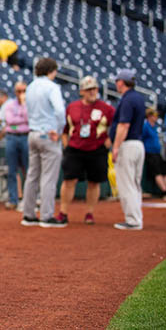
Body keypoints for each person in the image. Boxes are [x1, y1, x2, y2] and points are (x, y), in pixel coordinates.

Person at [58, 76, 115, 226]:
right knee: (69, 180)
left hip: (97, 149)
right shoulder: (72, 107)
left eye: (94, 89)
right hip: (75, 148)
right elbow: (64, 129)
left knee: (94, 182)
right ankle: (63, 212)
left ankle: (90, 213)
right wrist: (66, 145)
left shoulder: (106, 108)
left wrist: (110, 141)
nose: (92, 92)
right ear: (82, 91)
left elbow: (116, 126)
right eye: (89, 89)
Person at [20, 57, 66, 228]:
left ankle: (28, 213)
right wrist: (59, 130)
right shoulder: (52, 87)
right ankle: (46, 216)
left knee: (32, 175)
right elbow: (60, 111)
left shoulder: (30, 87)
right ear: (51, 71)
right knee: (48, 177)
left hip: (32, 133)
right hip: (48, 133)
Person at [109, 69, 146, 230]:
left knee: (127, 184)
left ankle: (133, 220)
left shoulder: (127, 99)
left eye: (117, 80)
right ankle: (136, 218)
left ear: (121, 82)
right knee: (135, 184)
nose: (116, 83)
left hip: (128, 145)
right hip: (138, 144)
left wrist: (115, 147)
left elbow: (124, 125)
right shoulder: (138, 97)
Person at [0, 83, 30, 210]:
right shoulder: (9, 105)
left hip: (26, 136)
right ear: (15, 92)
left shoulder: (29, 104)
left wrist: (24, 106)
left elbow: (28, 118)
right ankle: (13, 199)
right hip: (12, 138)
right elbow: (10, 121)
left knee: (28, 170)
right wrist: (21, 121)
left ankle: (29, 199)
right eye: (19, 91)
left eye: (24, 90)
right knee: (12, 170)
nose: (21, 93)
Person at [142, 108, 166, 199]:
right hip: (150, 153)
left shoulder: (154, 126)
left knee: (163, 172)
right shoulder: (146, 126)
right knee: (157, 173)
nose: (156, 117)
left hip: (157, 153)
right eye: (154, 116)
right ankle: (165, 191)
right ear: (149, 116)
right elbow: (142, 138)